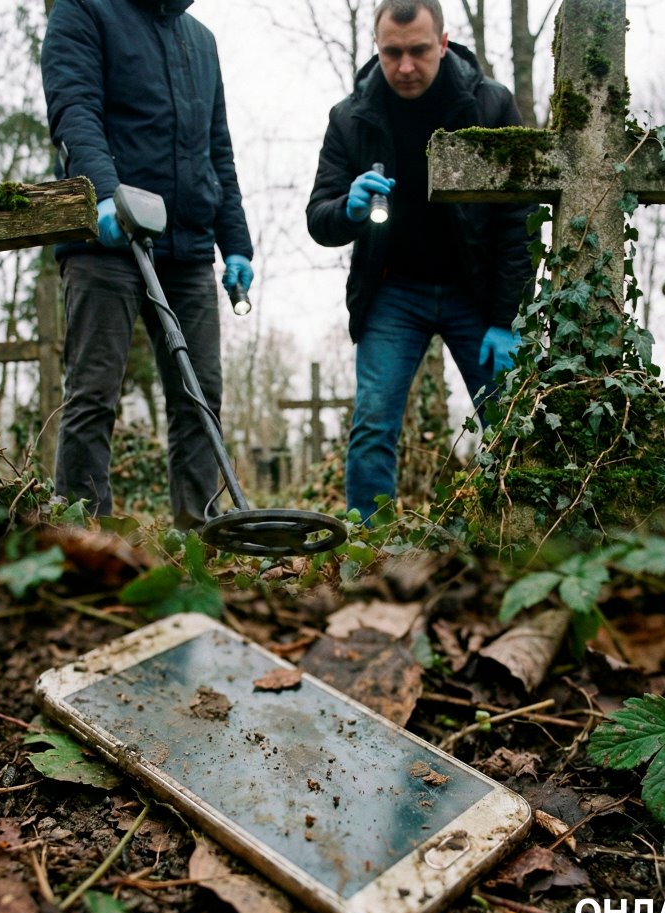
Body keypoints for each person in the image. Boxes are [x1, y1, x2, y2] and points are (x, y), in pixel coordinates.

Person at [306, 0, 535, 521]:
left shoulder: (489, 105)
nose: (405, 67)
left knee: (509, 416)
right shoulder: (351, 118)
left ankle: (518, 531)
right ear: (377, 49)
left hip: (475, 293)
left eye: (418, 51)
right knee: (373, 421)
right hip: (393, 292)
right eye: (392, 53)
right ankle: (370, 542)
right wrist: (349, 208)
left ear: (444, 44)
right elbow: (319, 218)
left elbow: (517, 219)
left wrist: (507, 319)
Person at [41, 0, 254, 530]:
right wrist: (106, 194)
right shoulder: (85, 10)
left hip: (187, 249)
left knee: (200, 397)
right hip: (107, 242)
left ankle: (201, 533)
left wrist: (237, 245)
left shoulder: (200, 40)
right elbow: (74, 109)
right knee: (94, 392)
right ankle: (84, 533)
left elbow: (217, 151)